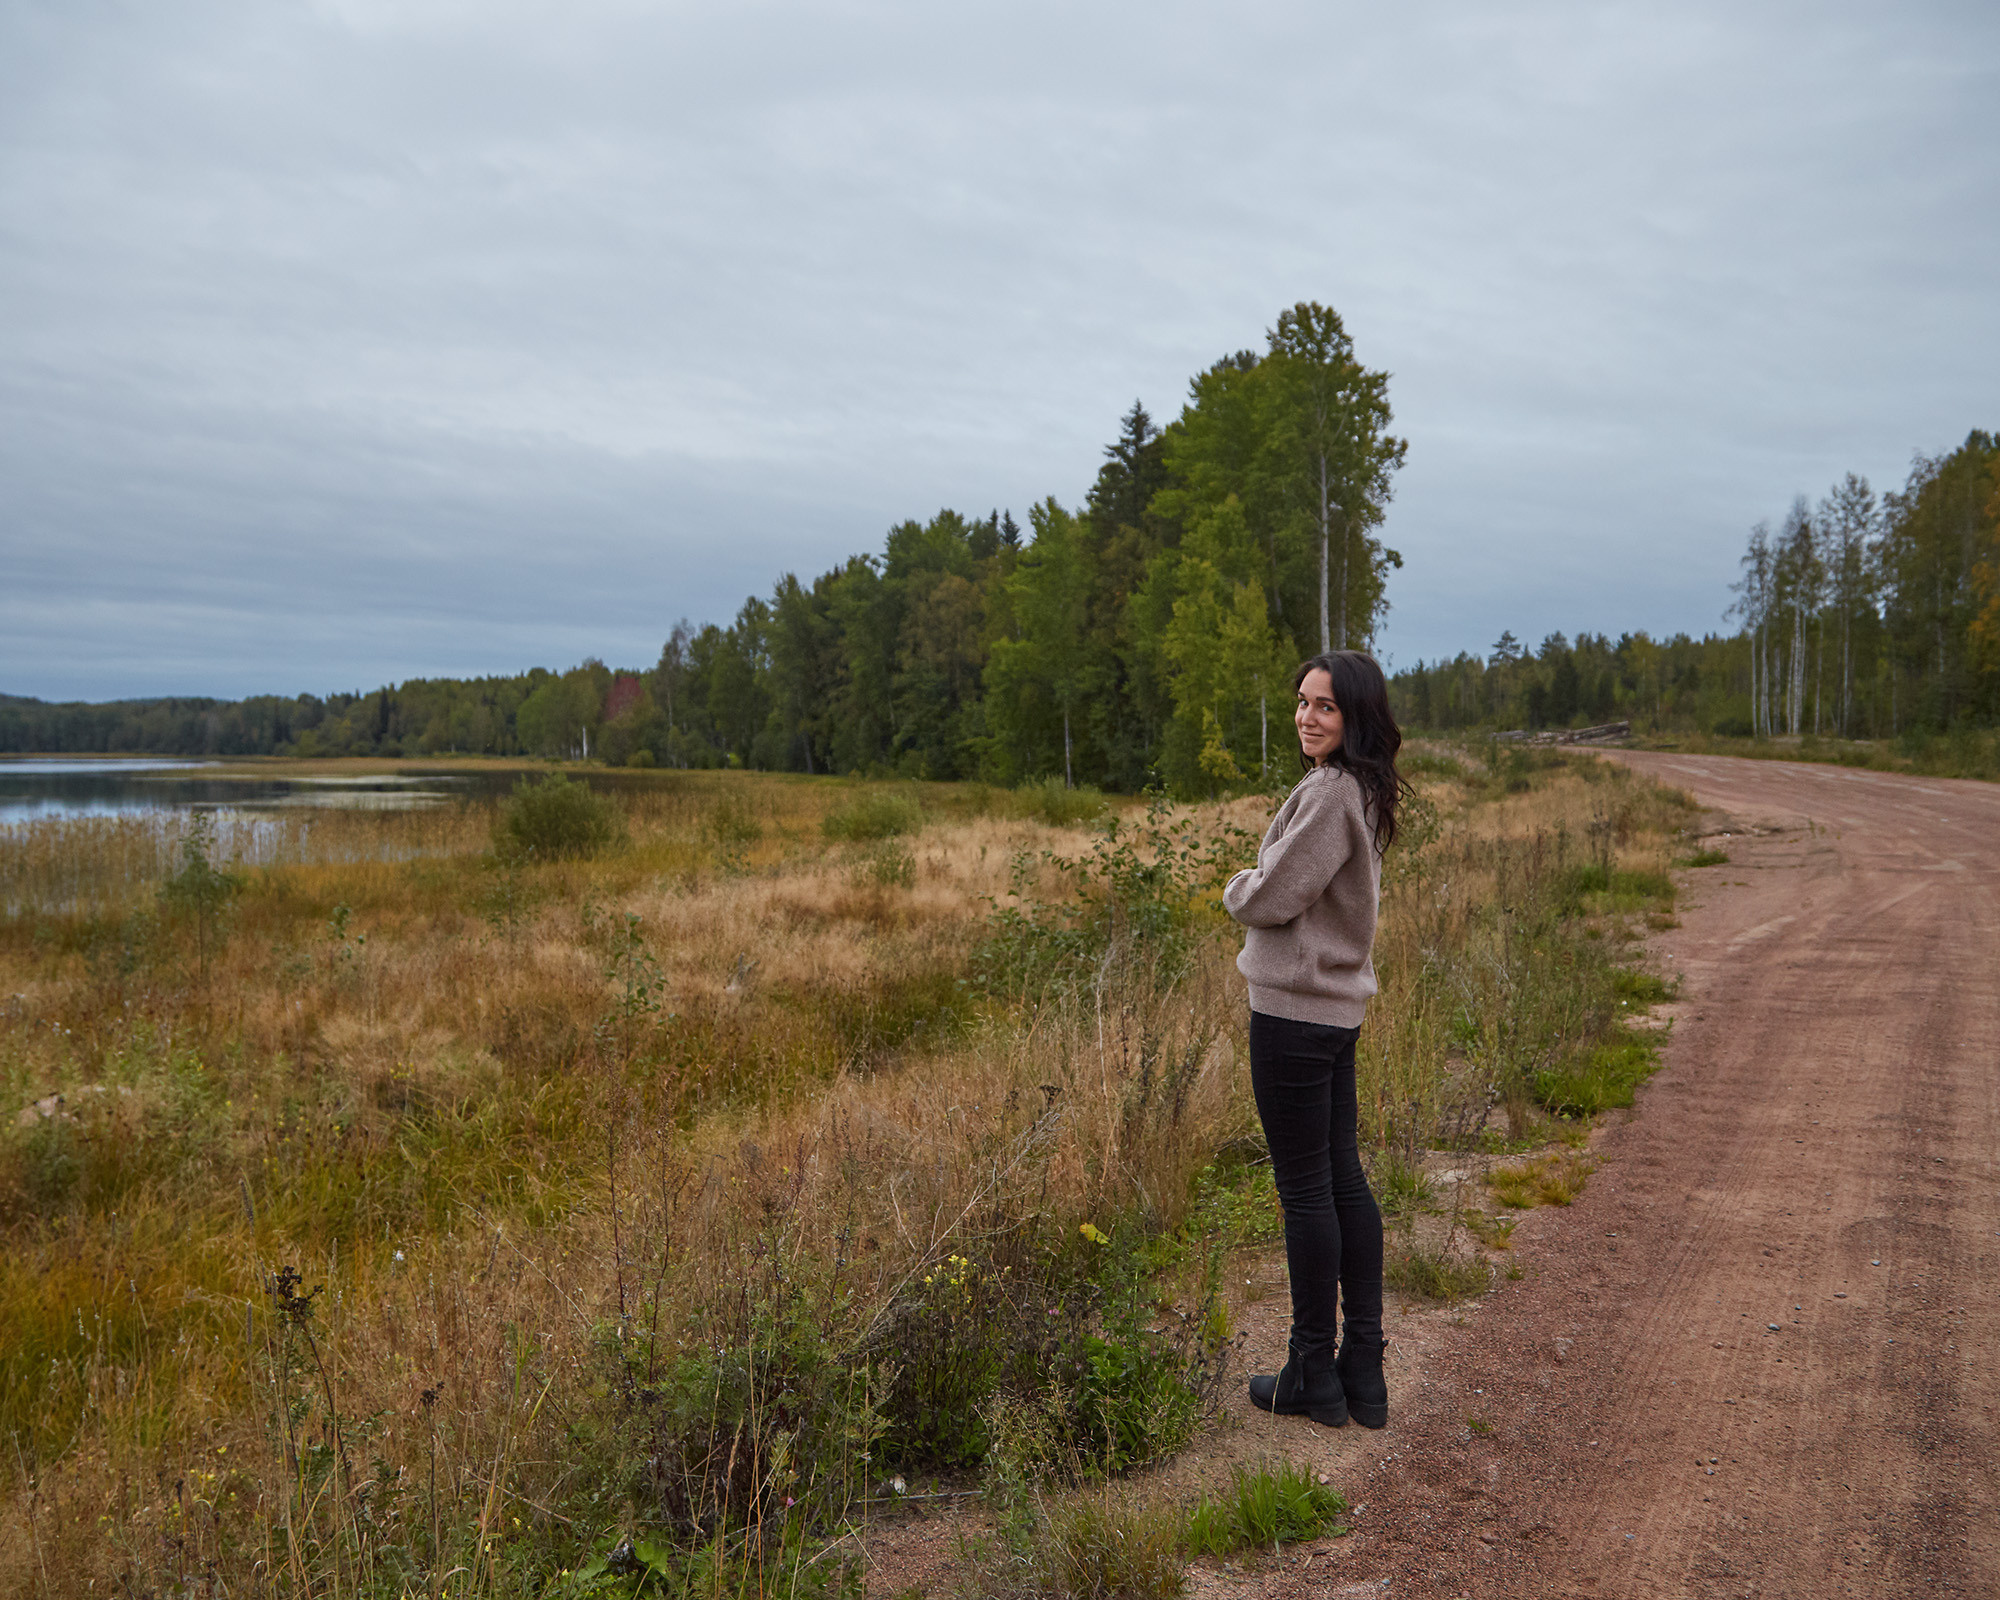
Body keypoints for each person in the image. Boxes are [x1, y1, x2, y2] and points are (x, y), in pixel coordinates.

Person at [1222, 649, 1406, 1429]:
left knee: (1307, 1190)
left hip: (1295, 1011)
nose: (1306, 716)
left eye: (1324, 706)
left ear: (1355, 715)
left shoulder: (1331, 792)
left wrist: (1238, 886)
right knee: (1340, 1181)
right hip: (1331, 1012)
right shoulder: (1361, 787)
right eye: (1301, 702)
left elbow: (1270, 894)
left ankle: (1311, 1371)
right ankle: (1360, 1369)